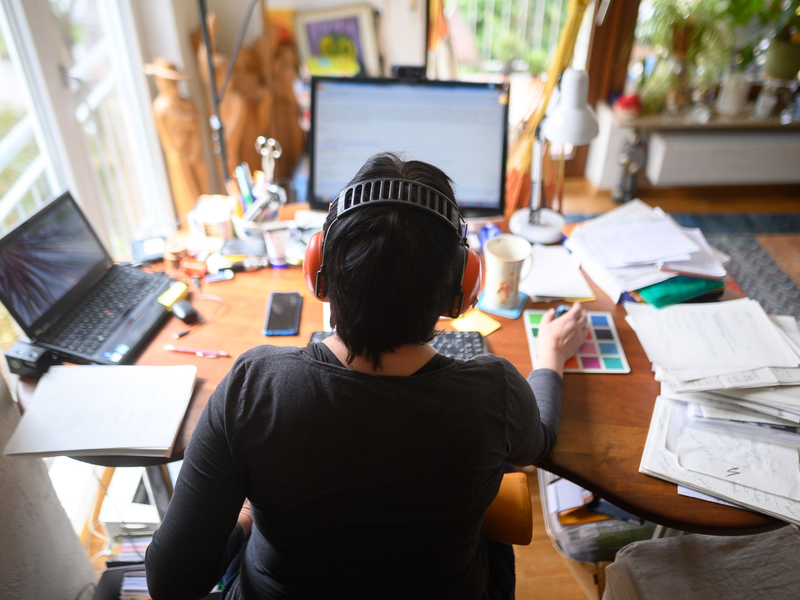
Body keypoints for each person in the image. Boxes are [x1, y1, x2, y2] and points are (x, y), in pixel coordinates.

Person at [145, 153, 589, 599]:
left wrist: (244, 519)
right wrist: (549, 356)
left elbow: (171, 583)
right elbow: (541, 440)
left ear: (319, 269)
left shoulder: (254, 387)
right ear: (461, 288)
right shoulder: (494, 392)